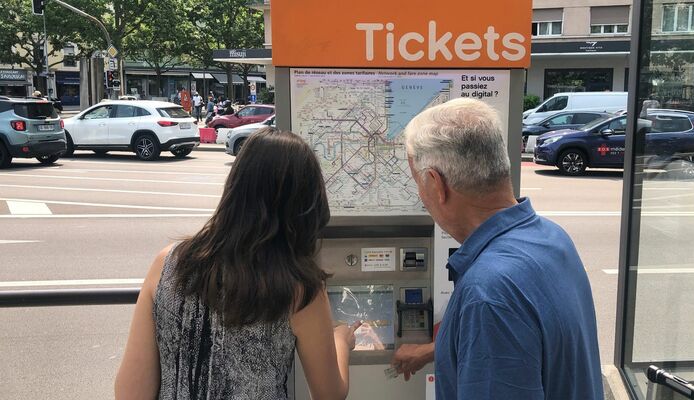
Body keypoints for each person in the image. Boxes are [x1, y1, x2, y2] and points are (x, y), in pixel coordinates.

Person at [115, 129, 362, 400]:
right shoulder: (298, 289)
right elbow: (330, 394)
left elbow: (129, 392)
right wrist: (341, 340)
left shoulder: (168, 263)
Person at [393, 98, 603, 399]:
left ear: (435, 184)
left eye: (418, 183)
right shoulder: (552, 239)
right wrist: (437, 349)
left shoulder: (489, 292)